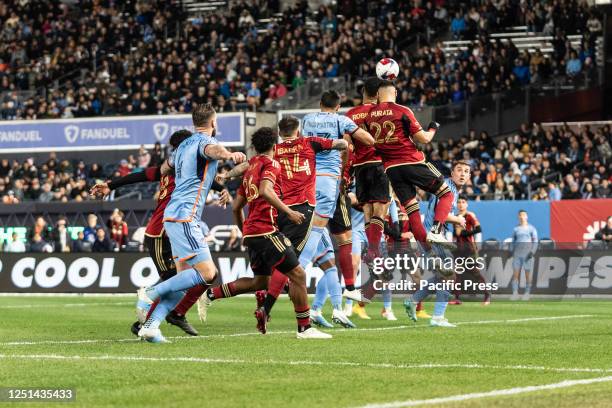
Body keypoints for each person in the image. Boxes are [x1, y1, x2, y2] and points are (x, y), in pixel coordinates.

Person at [200, 118, 348, 327]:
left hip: (274, 213)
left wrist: (226, 176)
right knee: (294, 268)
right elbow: (341, 144)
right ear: (298, 131)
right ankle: (277, 313)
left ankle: (220, 295)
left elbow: (245, 166)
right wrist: (343, 143)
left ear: (279, 133)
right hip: (300, 210)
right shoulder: (309, 143)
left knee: (262, 279)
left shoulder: (271, 153)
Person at [90, 129, 229, 337]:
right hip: (160, 233)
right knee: (175, 279)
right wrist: (220, 186)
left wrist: (220, 188)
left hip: (175, 230)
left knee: (204, 275)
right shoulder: (184, 170)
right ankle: (147, 322)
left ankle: (176, 313)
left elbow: (140, 175)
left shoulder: (173, 168)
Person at [137, 103, 246, 343]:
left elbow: (165, 168)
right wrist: (229, 155)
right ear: (213, 122)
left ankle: (151, 326)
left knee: (183, 280)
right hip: (185, 216)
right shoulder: (202, 143)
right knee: (208, 273)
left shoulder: (182, 146)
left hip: (173, 216)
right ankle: (149, 293)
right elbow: (212, 150)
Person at [293, 90, 374, 328]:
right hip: (331, 186)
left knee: (328, 260)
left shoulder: (307, 119)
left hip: (307, 183)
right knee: (344, 240)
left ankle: (327, 309)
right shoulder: (342, 122)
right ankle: (348, 287)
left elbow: (301, 142)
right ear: (338, 107)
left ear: (320, 104)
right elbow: (368, 140)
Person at [366, 80, 454, 249]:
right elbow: (425, 139)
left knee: (412, 211)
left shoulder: (369, 116)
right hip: (412, 161)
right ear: (396, 93)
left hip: (391, 169)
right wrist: (433, 128)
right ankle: (436, 231)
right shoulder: (402, 110)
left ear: (378, 95)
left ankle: (432, 257)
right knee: (446, 194)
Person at [404, 161, 470, 328]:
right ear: (452, 173)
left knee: (443, 275)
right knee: (449, 275)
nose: (462, 174)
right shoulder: (449, 189)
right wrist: (458, 219)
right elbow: (439, 216)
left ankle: (413, 300)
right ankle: (437, 317)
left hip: (429, 237)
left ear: (469, 176)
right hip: (432, 236)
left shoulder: (449, 188)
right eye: (459, 170)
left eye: (466, 171)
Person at [346, 77, 391, 277]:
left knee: (367, 211)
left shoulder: (350, 115)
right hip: (380, 164)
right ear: (379, 92)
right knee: (380, 211)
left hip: (360, 167)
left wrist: (346, 173)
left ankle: (372, 253)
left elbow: (347, 148)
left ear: (363, 91)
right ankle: (373, 252)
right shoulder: (384, 111)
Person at [452, 195, 490, 305]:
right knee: (456, 274)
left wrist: (464, 233)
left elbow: (479, 229)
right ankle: (457, 298)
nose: (460, 204)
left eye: (463, 202)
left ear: (467, 204)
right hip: (459, 249)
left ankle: (487, 294)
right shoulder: (455, 217)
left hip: (469, 248)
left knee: (475, 273)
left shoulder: (470, 216)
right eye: (459, 202)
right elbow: (456, 233)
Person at [510, 210, 538, 301]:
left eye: (524, 215)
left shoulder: (531, 229)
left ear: (527, 216)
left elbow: (535, 241)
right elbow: (513, 241)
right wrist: (511, 251)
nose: (522, 217)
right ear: (518, 217)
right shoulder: (516, 229)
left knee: (527, 275)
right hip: (517, 255)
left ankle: (527, 293)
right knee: (515, 274)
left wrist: (532, 252)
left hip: (527, 255)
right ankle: (515, 293)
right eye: (520, 215)